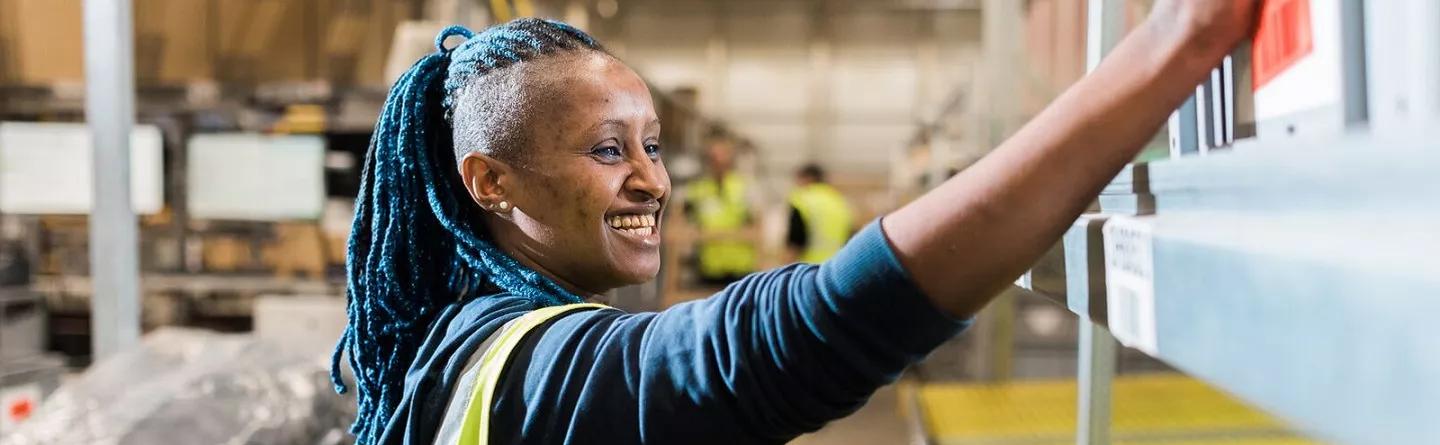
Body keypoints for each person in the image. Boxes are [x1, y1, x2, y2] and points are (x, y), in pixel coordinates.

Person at [332, 3, 1257, 443]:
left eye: (652, 146)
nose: (652, 178)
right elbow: (802, 335)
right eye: (608, 151)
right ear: (491, 181)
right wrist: (1169, 50)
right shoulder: (534, 374)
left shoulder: (452, 346)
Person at [682, 138, 757, 285]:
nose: (719, 162)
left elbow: (757, 223)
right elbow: (683, 222)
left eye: (723, 156)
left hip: (741, 266)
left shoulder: (744, 187)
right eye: (714, 158)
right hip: (709, 267)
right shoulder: (697, 189)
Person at [785, 163, 854, 264]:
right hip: (836, 265)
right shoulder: (838, 200)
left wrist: (787, 267)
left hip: (807, 267)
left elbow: (795, 239)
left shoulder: (801, 200)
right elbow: (850, 234)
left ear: (807, 178)